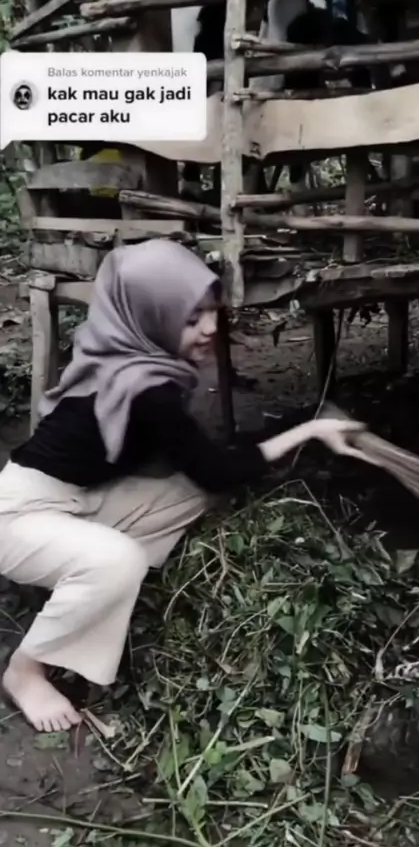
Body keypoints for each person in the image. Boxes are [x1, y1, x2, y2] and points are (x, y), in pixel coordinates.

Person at [0, 239, 368, 734]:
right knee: (120, 560)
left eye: (213, 310)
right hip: (17, 517)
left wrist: (307, 420)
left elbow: (206, 467)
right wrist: (309, 429)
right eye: (192, 318)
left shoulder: (127, 353)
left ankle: (85, 581)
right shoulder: (146, 387)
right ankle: (26, 671)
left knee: (193, 493)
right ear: (151, 316)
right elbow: (217, 468)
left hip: (77, 501)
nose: (211, 328)